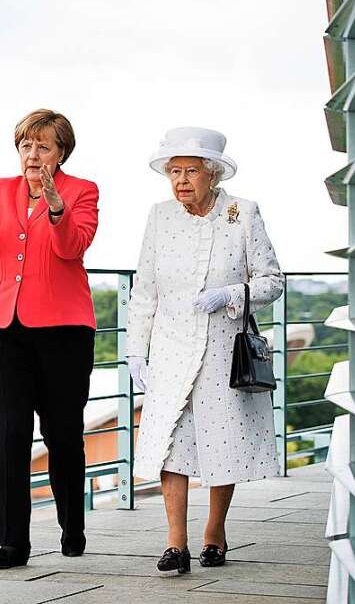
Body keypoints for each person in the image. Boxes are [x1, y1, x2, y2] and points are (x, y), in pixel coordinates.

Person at [125, 126, 283, 574]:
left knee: (222, 441)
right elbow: (144, 291)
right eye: (173, 172)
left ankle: (214, 532)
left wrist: (231, 294)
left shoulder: (242, 213)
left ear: (212, 173)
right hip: (171, 347)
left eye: (190, 171)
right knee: (170, 443)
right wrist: (137, 351)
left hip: (221, 348)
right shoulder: (159, 217)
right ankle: (175, 543)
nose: (180, 181)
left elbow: (273, 281)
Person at [0, 108, 100, 570]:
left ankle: (71, 526)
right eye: (26, 145)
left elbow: (72, 247)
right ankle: (12, 542)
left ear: (61, 152)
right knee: (10, 433)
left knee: (62, 434)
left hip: (64, 330)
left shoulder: (83, 191)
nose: (33, 154)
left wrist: (56, 206)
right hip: (3, 328)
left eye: (43, 146)